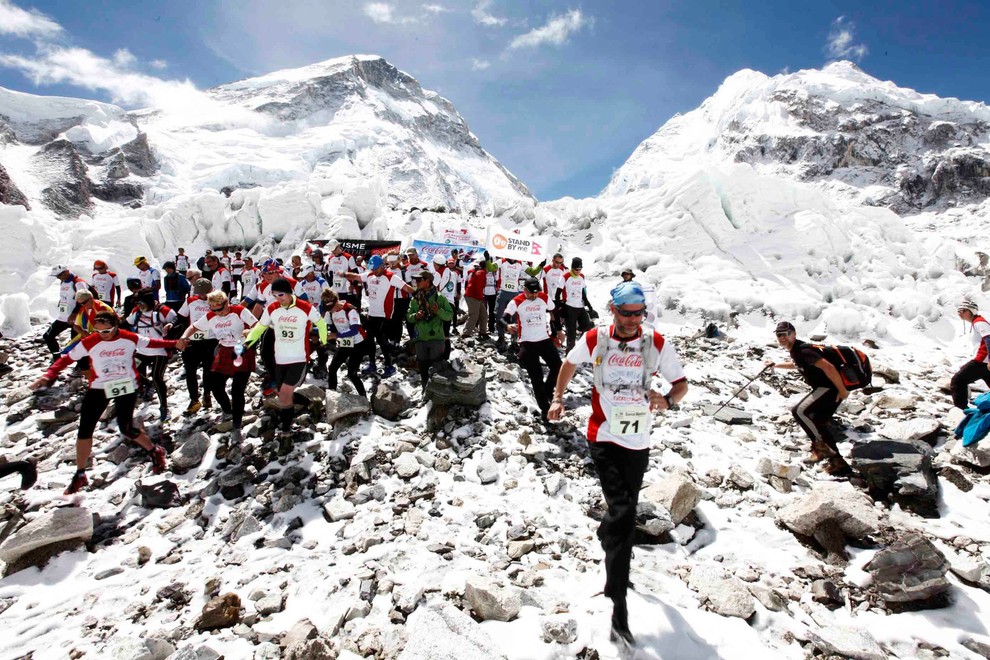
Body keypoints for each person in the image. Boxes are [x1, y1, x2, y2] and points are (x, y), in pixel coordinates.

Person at [548, 281, 688, 646]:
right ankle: (618, 604)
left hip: (638, 440)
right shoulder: (596, 338)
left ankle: (606, 533)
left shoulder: (656, 343)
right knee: (625, 510)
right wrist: (558, 397)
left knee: (621, 513)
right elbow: (568, 363)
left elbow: (681, 384)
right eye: (625, 313)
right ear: (613, 310)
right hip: (603, 435)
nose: (631, 320)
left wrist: (668, 401)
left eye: (638, 313)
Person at [30, 311, 182, 494]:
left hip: (126, 384)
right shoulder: (90, 341)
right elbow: (66, 359)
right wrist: (49, 375)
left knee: (125, 427)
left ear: (116, 326)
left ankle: (154, 451)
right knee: (85, 428)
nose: (103, 335)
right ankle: (80, 473)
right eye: (98, 331)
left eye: (107, 330)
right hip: (100, 386)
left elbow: (151, 343)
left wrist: (175, 343)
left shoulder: (128, 337)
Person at [245, 278, 327, 452]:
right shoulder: (272, 308)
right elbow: (260, 327)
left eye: (280, 294)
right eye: (274, 295)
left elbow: (321, 323)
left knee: (284, 395)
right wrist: (248, 342)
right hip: (280, 358)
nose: (278, 298)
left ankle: (286, 433)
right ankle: (312, 403)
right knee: (281, 393)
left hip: (299, 358)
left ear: (289, 293)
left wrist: (323, 340)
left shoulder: (305, 307)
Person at [766, 321, 852, 476]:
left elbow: (829, 368)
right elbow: (798, 365)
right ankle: (839, 464)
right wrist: (776, 365)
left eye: (785, 334)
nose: (782, 338)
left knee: (799, 411)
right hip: (827, 389)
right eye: (779, 335)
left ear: (794, 334)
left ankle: (821, 448)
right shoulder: (797, 352)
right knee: (819, 422)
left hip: (829, 389)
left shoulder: (804, 350)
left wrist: (842, 390)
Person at [182, 290, 258, 443]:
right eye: (213, 310)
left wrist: (250, 332)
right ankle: (227, 410)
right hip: (223, 350)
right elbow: (194, 327)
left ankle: (237, 427)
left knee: (238, 390)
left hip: (242, 350)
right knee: (214, 385)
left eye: (220, 309)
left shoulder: (239, 311)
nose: (218, 313)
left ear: (227, 303)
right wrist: (184, 337)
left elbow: (257, 325)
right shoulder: (211, 316)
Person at [504, 278, 563, 420]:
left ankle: (548, 392)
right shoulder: (516, 301)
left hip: (544, 340)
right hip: (527, 344)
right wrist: (507, 326)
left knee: (558, 367)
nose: (534, 296)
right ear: (525, 290)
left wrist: (559, 330)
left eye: (536, 293)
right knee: (536, 379)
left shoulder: (544, 298)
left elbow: (555, 311)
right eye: (531, 293)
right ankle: (545, 410)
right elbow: (503, 318)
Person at [345, 255, 413, 377]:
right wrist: (343, 274)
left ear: (382, 266)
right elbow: (356, 276)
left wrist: (422, 295)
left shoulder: (391, 277)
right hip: (372, 314)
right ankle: (372, 363)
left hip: (384, 315)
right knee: (369, 339)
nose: (374, 271)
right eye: (372, 269)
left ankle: (389, 365)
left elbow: (407, 288)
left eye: (376, 269)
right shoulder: (370, 275)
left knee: (382, 340)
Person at [126, 290, 177, 420]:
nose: (139, 305)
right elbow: (127, 324)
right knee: (130, 369)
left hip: (160, 351)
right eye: (137, 303)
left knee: (157, 378)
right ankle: (148, 385)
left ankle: (164, 406)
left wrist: (171, 326)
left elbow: (178, 320)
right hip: (142, 350)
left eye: (141, 302)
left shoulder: (163, 311)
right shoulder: (136, 312)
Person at [177, 278, 217, 415]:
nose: (201, 296)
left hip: (210, 339)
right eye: (199, 293)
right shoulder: (190, 301)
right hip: (193, 340)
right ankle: (194, 399)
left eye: (204, 293)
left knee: (208, 370)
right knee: (190, 370)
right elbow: (182, 317)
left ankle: (207, 395)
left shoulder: (216, 300)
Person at [407, 271, 452, 389]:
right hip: (420, 338)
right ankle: (424, 389)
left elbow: (449, 316)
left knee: (435, 367)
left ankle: (436, 392)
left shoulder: (439, 297)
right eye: (415, 280)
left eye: (419, 280)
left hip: (436, 338)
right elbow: (409, 317)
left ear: (427, 281)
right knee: (422, 367)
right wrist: (416, 316)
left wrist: (438, 311)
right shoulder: (415, 299)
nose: (416, 283)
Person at [323, 290, 368, 397]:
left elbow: (354, 330)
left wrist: (335, 335)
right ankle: (332, 395)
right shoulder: (330, 312)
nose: (331, 311)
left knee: (351, 374)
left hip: (358, 343)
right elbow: (325, 325)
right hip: (344, 343)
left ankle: (363, 396)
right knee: (332, 368)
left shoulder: (350, 310)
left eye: (332, 307)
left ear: (336, 301)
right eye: (328, 309)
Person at [43, 265, 92, 359]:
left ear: (66, 272)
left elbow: (84, 300)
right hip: (63, 316)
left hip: (77, 317)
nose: (58, 278)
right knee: (47, 336)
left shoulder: (78, 283)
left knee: (76, 342)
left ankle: (81, 365)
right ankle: (57, 358)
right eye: (56, 276)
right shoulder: (63, 282)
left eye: (59, 275)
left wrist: (74, 314)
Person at [950, 300, 990, 409]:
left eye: (963, 311)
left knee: (958, 380)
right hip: (984, 362)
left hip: (982, 361)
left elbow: (988, 339)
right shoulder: (976, 323)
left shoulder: (979, 322)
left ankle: (963, 409)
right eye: (958, 311)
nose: (960, 313)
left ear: (971, 311)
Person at [557, 257, 598, 352]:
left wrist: (589, 306)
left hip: (580, 306)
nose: (578, 271)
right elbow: (557, 293)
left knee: (587, 326)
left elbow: (583, 293)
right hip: (569, 307)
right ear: (572, 268)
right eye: (576, 269)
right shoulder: (565, 277)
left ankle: (578, 336)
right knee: (571, 335)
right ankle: (569, 355)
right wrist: (561, 306)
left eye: (580, 269)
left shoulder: (582, 277)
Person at [430, 254, 460, 356]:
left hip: (441, 304)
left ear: (435, 264)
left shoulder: (438, 273)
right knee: (446, 331)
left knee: (438, 330)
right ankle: (446, 354)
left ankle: (438, 354)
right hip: (451, 304)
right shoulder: (453, 273)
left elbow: (433, 288)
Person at [495, 257, 524, 350]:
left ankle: (514, 340)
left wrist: (540, 266)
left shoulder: (520, 262)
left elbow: (532, 272)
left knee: (515, 317)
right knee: (499, 316)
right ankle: (501, 338)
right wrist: (487, 260)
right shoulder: (502, 261)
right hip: (503, 291)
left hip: (515, 293)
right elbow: (491, 268)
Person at [462, 257, 489, 339]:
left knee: (484, 314)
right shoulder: (481, 273)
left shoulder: (480, 272)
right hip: (473, 296)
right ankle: (466, 333)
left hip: (475, 296)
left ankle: (482, 332)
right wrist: (481, 297)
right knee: (474, 315)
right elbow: (478, 287)